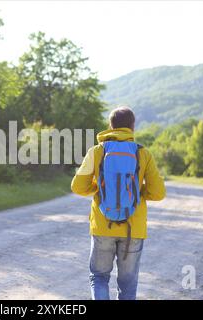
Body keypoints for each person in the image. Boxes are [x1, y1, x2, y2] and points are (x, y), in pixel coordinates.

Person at [71, 106, 166, 300]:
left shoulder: (97, 151)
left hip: (103, 225)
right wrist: (138, 193)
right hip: (133, 229)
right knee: (128, 285)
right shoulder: (143, 153)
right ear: (132, 127)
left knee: (98, 277)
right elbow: (158, 193)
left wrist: (99, 188)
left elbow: (77, 186)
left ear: (110, 126)